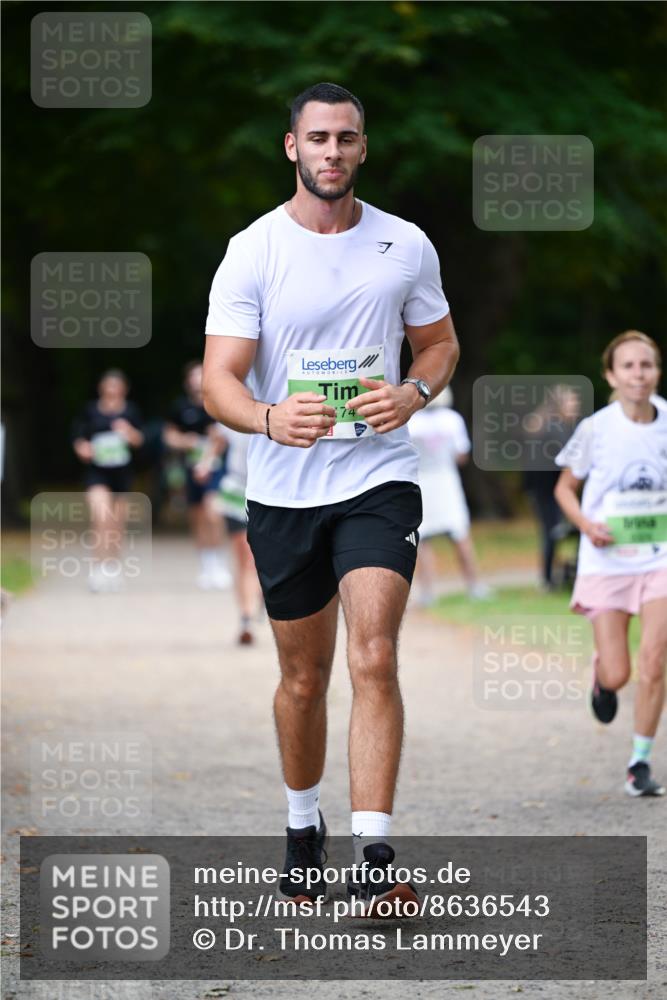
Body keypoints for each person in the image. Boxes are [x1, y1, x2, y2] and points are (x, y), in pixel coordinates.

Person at [203, 82, 459, 914]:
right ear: (292, 147)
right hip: (284, 491)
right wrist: (268, 418)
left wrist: (414, 394)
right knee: (303, 679)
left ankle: (374, 856)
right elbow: (219, 379)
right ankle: (300, 826)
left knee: (373, 655)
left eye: (346, 138)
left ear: (363, 147)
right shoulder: (253, 250)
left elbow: (438, 344)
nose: (332, 152)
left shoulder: (404, 244)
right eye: (317, 138)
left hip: (378, 479)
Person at [554, 331, 667, 797]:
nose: (639, 374)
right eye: (628, 366)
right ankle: (603, 679)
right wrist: (587, 525)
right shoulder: (596, 429)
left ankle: (639, 762)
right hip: (607, 561)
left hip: (659, 556)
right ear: (611, 375)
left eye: (647, 365)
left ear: (657, 371)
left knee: (655, 659)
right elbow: (565, 489)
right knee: (620, 673)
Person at [410, 386, 491, 604]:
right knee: (460, 533)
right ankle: (474, 586)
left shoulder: (412, 421)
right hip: (446, 481)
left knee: (423, 539)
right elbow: (461, 454)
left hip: (422, 482)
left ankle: (428, 592)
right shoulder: (453, 420)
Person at [71, 369, 144, 592]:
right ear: (101, 388)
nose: (112, 390)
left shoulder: (131, 411)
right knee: (101, 517)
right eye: (108, 385)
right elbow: (78, 438)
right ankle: (97, 567)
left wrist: (128, 432)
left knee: (116, 523)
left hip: (122, 473)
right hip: (97, 472)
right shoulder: (90, 411)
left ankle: (112, 566)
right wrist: (82, 448)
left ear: (124, 389)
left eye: (116, 385)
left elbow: (140, 441)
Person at [163, 361, 232, 590]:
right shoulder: (180, 407)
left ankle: (220, 562)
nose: (196, 380)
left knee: (214, 511)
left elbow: (221, 439)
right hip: (190, 468)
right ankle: (206, 565)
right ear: (187, 382)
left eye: (200, 375)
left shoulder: (216, 403)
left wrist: (206, 462)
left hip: (215, 467)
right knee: (197, 516)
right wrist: (185, 441)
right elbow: (169, 436)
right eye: (193, 376)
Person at [523, 385, 581, 590]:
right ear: (560, 406)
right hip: (546, 490)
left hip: (544, 489)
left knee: (552, 531)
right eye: (571, 402)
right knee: (551, 531)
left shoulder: (556, 426)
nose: (575, 406)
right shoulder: (554, 429)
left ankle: (551, 577)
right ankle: (547, 579)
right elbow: (569, 457)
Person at [217, 425, 263, 645]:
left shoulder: (278, 409)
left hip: (266, 490)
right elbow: (217, 441)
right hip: (236, 489)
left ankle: (260, 596)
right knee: (244, 557)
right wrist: (205, 465)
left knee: (258, 558)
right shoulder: (232, 411)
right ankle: (246, 619)